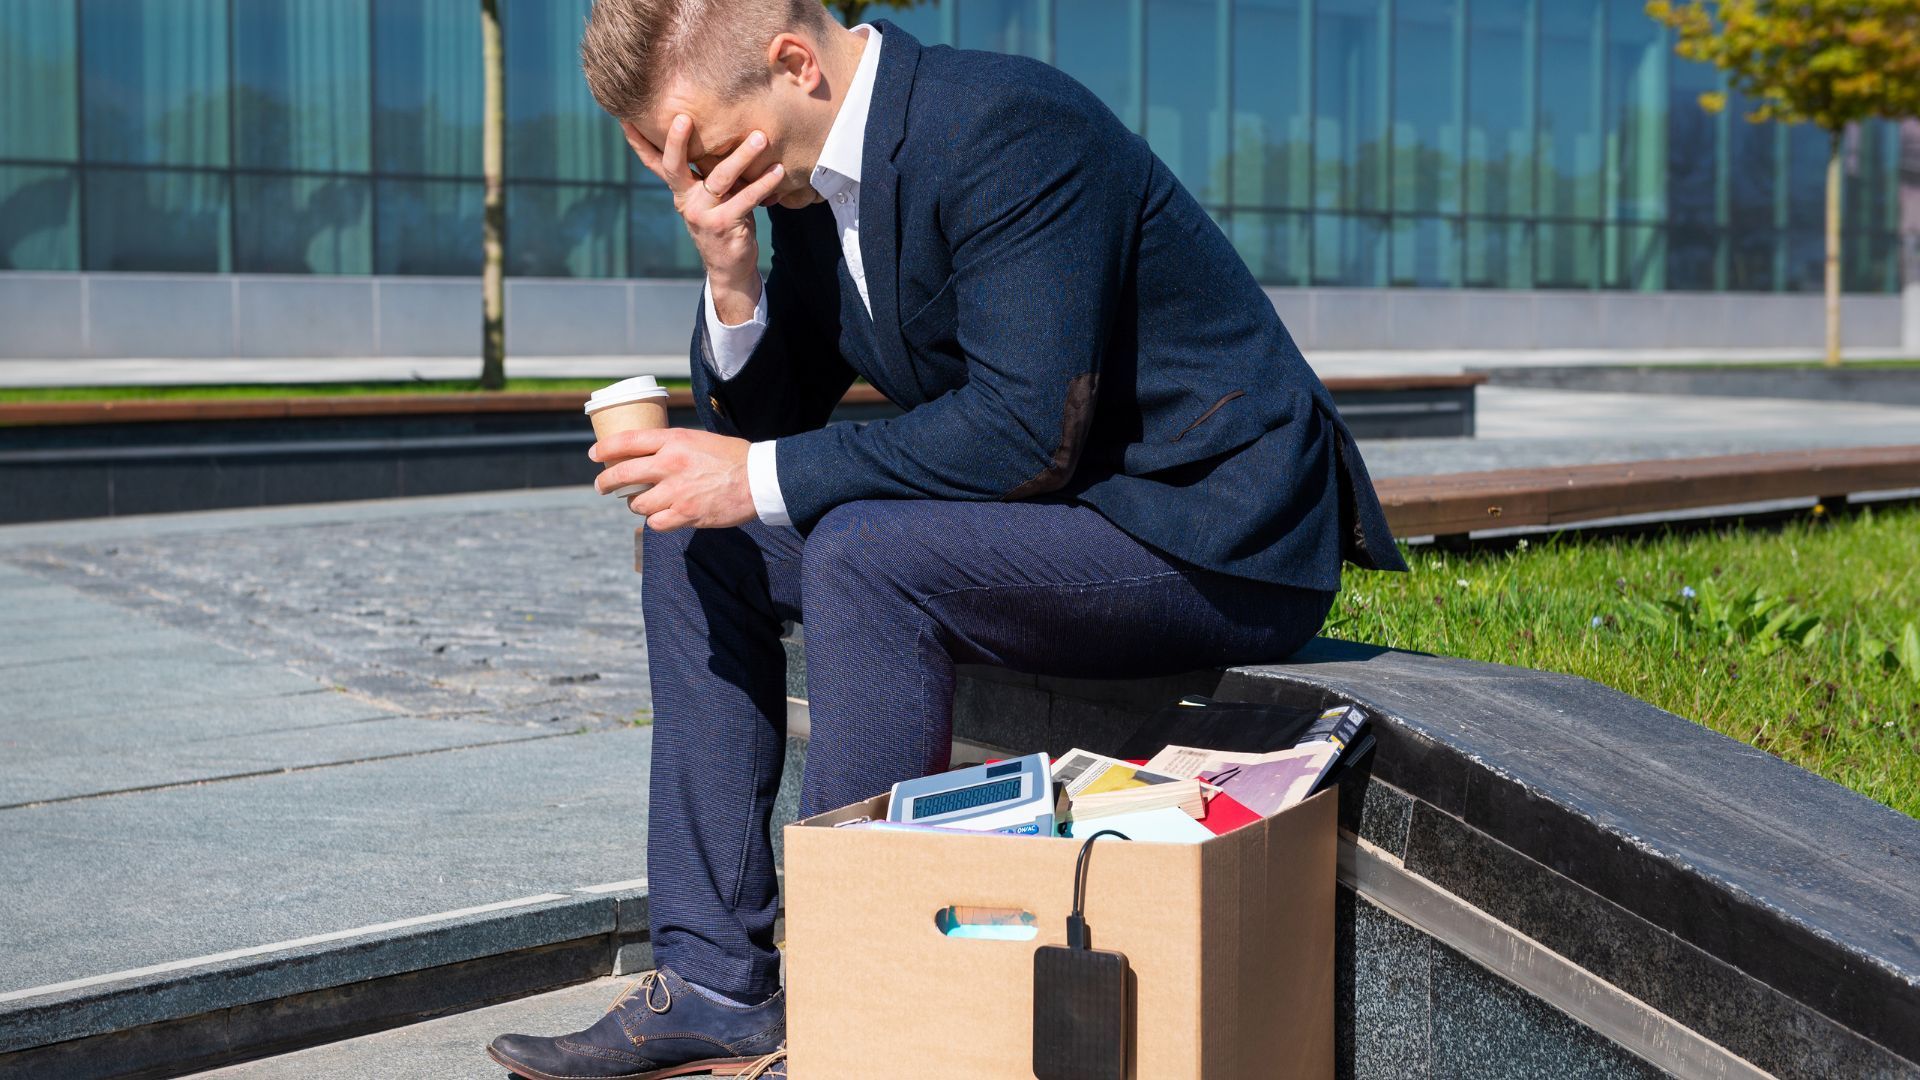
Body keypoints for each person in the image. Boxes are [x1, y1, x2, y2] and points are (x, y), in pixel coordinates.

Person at [487, 1, 1405, 1077]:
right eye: (664, 158)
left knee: (865, 553)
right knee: (699, 544)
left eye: (694, 143)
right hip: (1060, 516)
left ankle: (851, 1001)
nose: (687, 174)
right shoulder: (805, 173)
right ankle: (713, 984)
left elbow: (1026, 429)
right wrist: (730, 278)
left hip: (1209, 528)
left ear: (794, 63)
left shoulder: (1008, 127)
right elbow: (775, 423)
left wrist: (756, 473)